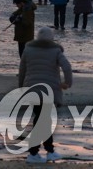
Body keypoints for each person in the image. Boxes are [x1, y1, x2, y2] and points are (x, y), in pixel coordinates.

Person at [17, 26, 73, 163]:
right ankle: (36, 153)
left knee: (42, 120)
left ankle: (47, 151)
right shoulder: (55, 50)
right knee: (43, 121)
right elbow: (67, 67)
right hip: (49, 91)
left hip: (32, 89)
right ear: (51, 38)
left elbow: (22, 69)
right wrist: (67, 83)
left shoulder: (28, 49)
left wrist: (21, 87)